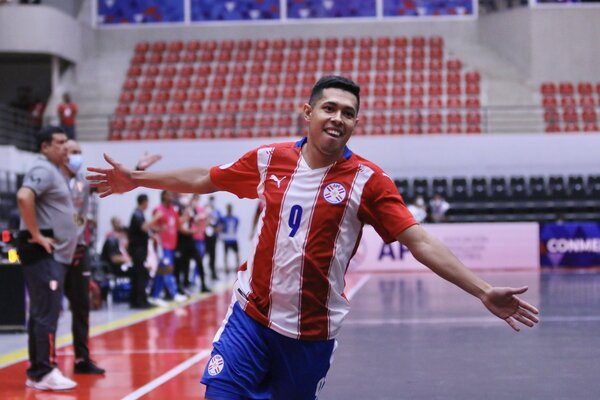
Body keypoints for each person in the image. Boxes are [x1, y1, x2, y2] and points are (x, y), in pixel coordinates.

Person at [88, 76, 540, 399]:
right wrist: (140, 179)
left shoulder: (368, 181)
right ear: (308, 113)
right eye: (330, 108)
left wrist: (481, 290)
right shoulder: (268, 159)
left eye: (348, 113)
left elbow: (419, 241)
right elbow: (207, 178)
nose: (338, 118)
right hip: (251, 316)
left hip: (310, 334)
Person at [16, 126, 78, 391]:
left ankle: (37, 371)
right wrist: (36, 234)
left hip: (54, 255)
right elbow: (23, 195)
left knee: (43, 313)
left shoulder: (55, 171)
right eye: (60, 142)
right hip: (43, 253)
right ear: (45, 146)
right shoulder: (42, 169)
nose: (65, 147)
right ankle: (45, 370)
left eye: (66, 142)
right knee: (47, 314)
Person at [60, 139, 105, 374]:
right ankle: (44, 366)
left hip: (80, 250)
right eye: (71, 152)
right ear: (61, 154)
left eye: (79, 152)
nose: (76, 156)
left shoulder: (82, 182)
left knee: (81, 307)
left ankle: (81, 359)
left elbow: (110, 184)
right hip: (55, 253)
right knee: (48, 311)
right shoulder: (52, 180)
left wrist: (138, 167)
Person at [150, 190, 187, 305]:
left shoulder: (173, 210)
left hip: (172, 245)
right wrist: (159, 229)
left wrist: (187, 215)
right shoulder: (158, 210)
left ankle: (154, 295)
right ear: (164, 196)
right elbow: (151, 226)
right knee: (167, 269)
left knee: (162, 270)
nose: (172, 196)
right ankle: (174, 294)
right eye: (169, 194)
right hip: (162, 245)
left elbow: (178, 224)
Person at [128, 193, 161, 308]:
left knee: (140, 274)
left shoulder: (140, 214)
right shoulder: (137, 214)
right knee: (139, 275)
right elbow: (143, 227)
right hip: (137, 250)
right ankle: (140, 301)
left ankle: (137, 300)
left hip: (140, 249)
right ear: (144, 202)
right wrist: (155, 218)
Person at [219, 203, 240, 274]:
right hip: (227, 238)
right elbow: (221, 227)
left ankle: (237, 266)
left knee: (236, 253)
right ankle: (226, 267)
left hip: (233, 238)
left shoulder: (236, 219)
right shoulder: (223, 218)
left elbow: (236, 226)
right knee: (226, 253)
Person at [204, 195, 221, 280]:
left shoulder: (217, 211)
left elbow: (220, 222)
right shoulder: (206, 210)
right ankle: (203, 272)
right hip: (206, 236)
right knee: (204, 254)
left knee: (213, 255)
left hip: (213, 236)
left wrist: (217, 229)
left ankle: (213, 273)